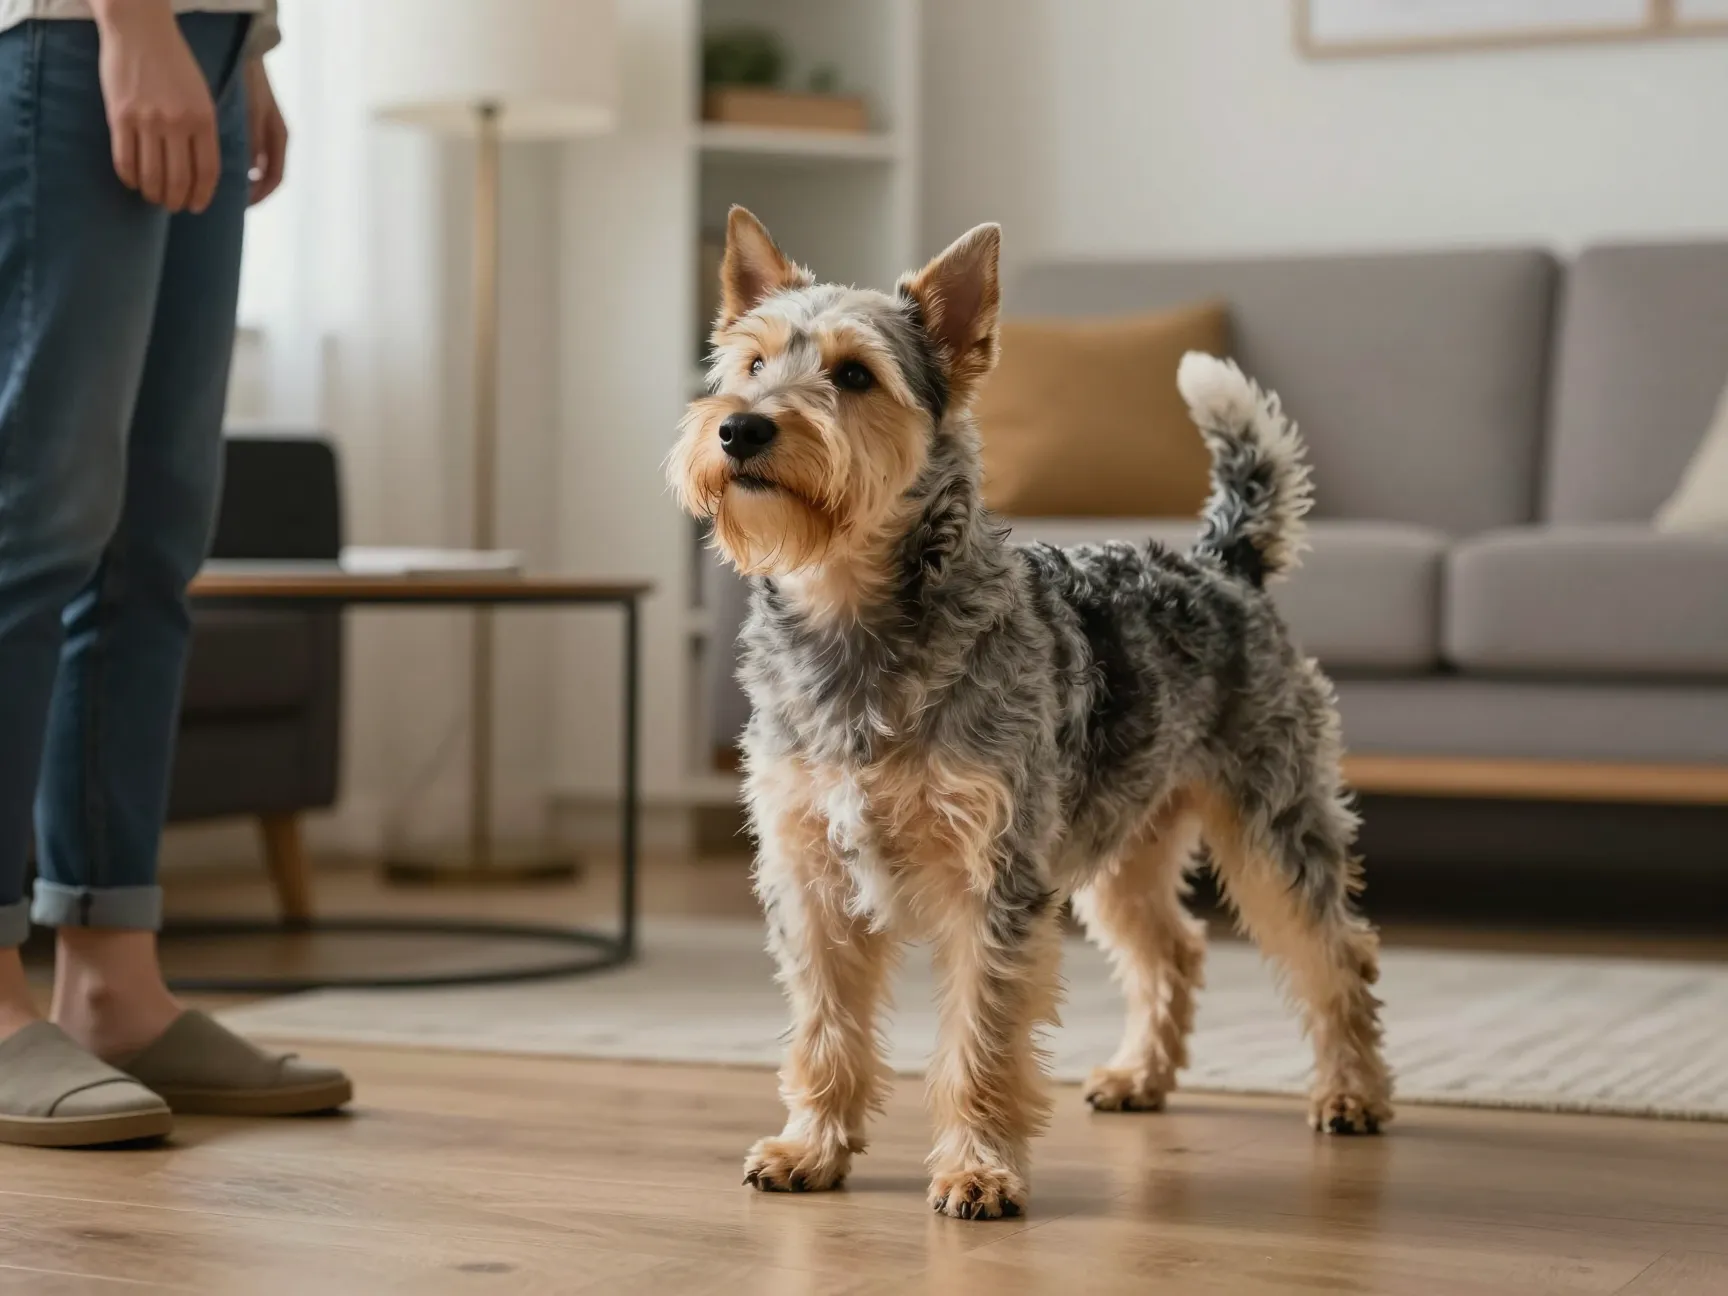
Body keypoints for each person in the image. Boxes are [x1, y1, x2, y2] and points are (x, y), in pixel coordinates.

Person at [0, 0, 350, 1148]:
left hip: (193, 35)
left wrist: (240, 42)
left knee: (153, 535)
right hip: (65, 29)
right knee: (31, 521)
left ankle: (112, 984)